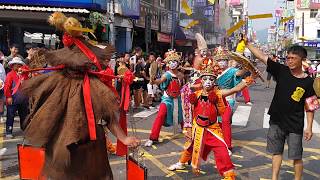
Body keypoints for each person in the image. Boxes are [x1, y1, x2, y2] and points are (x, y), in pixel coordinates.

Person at [20, 12, 140, 179]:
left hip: (89, 154)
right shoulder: (56, 84)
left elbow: (108, 117)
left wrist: (124, 138)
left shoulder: (93, 86)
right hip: (63, 156)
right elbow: (39, 113)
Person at [247, 42, 319, 180]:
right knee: (276, 152)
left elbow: (310, 107)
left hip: (295, 125)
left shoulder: (309, 82)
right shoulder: (282, 70)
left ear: (302, 60)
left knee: (296, 157)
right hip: (276, 121)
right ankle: (275, 177)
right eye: (288, 58)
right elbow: (262, 57)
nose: (289, 61)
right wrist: (247, 44)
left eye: (293, 58)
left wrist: (309, 127)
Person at [144, 50, 184, 147]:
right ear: (167, 64)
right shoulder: (166, 74)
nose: (172, 64)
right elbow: (160, 80)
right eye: (170, 62)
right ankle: (153, 138)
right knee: (160, 115)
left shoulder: (181, 75)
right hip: (167, 99)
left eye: (174, 61)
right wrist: (153, 81)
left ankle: (188, 132)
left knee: (182, 116)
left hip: (178, 99)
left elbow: (183, 86)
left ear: (178, 63)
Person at [4, 57, 29, 138]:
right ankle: (9, 131)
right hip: (13, 99)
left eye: (19, 65)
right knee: (10, 115)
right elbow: (7, 87)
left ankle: (25, 130)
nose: (18, 66)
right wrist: (8, 97)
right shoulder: (10, 75)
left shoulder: (25, 74)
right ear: (12, 66)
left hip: (24, 99)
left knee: (24, 115)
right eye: (16, 65)